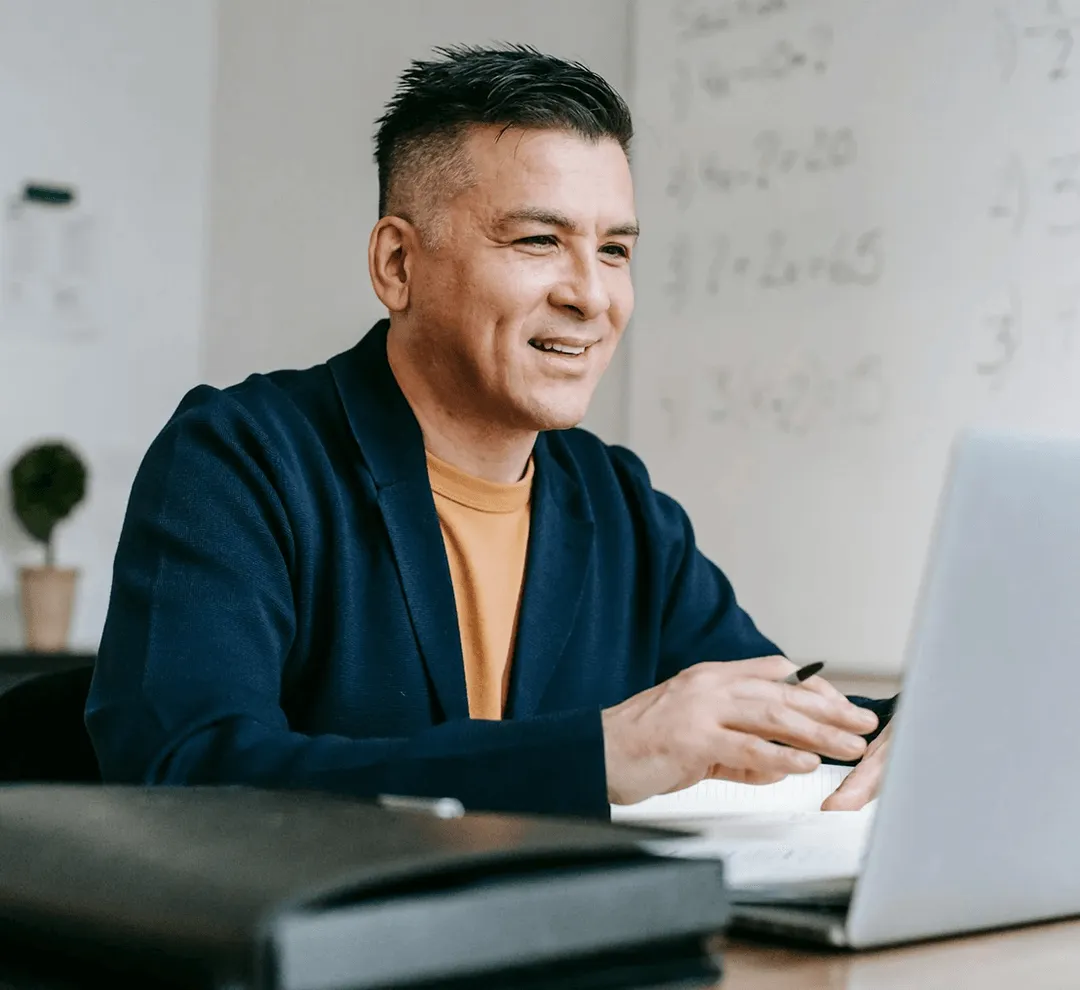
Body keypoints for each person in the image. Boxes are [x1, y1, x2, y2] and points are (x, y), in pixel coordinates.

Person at [86, 45, 893, 818]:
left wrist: (905, 730)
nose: (592, 296)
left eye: (614, 250)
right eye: (540, 240)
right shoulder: (239, 459)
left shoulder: (619, 503)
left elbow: (779, 713)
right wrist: (597, 755)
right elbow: (183, 775)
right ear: (397, 265)